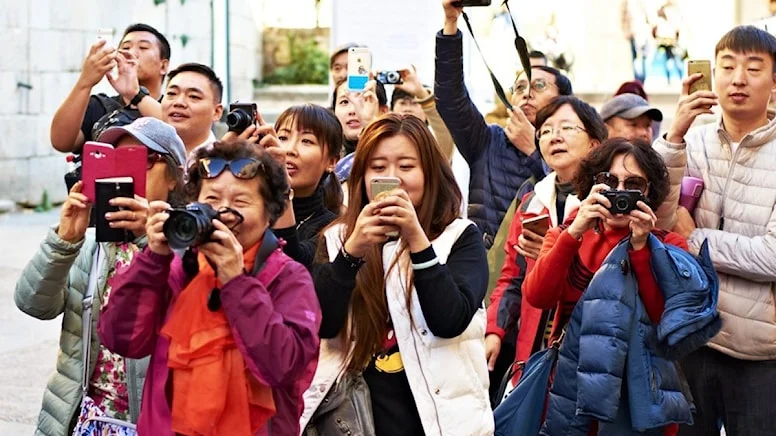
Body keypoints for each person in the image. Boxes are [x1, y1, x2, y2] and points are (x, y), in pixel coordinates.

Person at [97, 140, 322, 435]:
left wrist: (237, 281)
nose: (223, 214)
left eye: (241, 203)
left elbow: (283, 367)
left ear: (270, 214)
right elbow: (122, 340)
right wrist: (154, 258)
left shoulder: (289, 278)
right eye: (211, 201)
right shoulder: (176, 269)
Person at [302, 114, 493, 435]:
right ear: (361, 176)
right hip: (358, 419)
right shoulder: (338, 239)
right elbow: (322, 324)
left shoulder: (460, 237)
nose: (393, 178)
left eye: (406, 167)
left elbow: (449, 320)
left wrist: (417, 240)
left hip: (442, 422)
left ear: (430, 173)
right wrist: (352, 252)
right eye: (378, 168)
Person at [14, 117, 186, 436]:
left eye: (142, 161)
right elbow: (32, 304)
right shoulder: (93, 243)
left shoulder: (187, 250)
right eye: (116, 161)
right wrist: (63, 241)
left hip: (152, 423)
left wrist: (151, 237)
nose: (128, 173)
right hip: (80, 417)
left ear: (175, 177)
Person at [654, 25, 776, 435]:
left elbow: (773, 255)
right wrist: (673, 136)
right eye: (727, 66)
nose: (738, 78)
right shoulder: (693, 142)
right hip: (689, 338)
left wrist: (695, 239)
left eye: (753, 68)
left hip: (759, 353)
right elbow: (656, 215)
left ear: (774, 82)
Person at [524, 138, 691, 434]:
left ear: (648, 191)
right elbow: (538, 296)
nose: (620, 192)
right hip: (571, 388)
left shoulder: (669, 245)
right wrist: (574, 231)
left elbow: (668, 321)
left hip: (640, 396)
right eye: (609, 181)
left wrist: (641, 249)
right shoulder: (568, 234)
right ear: (591, 185)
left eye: (633, 183)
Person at [485, 96, 607, 383]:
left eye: (567, 128)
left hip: (588, 345)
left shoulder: (605, 203)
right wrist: (495, 330)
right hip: (534, 346)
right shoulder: (532, 201)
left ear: (594, 143)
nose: (555, 137)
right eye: (547, 130)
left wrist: (553, 256)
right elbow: (512, 277)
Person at [436, 0, 573, 248]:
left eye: (538, 85)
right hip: (488, 268)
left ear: (563, 100)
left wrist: (535, 149)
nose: (526, 93)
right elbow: (450, 99)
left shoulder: (576, 145)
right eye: (519, 87)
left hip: (543, 265)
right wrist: (451, 22)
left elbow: (570, 198)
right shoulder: (489, 140)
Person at [51, 24, 171, 154]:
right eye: (125, 47)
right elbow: (62, 143)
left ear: (163, 66)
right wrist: (84, 82)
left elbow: (180, 136)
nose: (131, 52)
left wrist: (136, 95)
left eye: (143, 47)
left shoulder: (173, 108)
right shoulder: (99, 106)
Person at [269, 104, 343, 269]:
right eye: (282, 138)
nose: (289, 150)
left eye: (307, 141)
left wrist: (281, 187)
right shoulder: (253, 209)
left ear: (332, 162)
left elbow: (290, 265)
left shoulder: (335, 228)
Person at [162, 62, 223, 159]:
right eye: (172, 93)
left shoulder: (227, 163)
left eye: (193, 96)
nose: (179, 102)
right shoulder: (146, 156)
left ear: (217, 112)